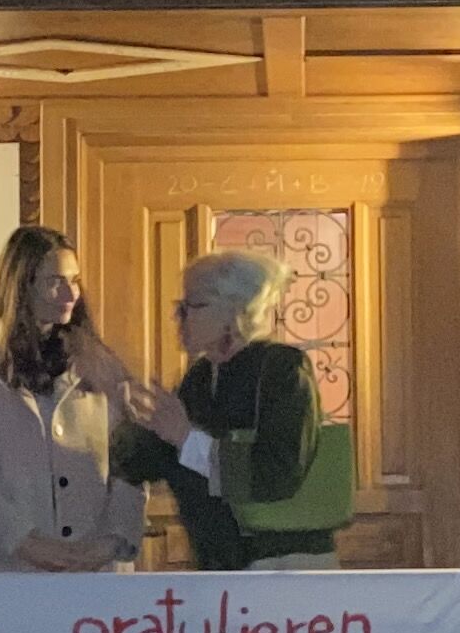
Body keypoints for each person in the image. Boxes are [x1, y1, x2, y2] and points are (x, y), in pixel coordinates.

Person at [108, 245, 343, 573]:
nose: (179, 318)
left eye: (192, 306)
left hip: (284, 566)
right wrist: (121, 413)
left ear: (236, 311)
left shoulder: (282, 370)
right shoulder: (200, 377)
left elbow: (278, 474)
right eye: (179, 307)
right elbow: (159, 460)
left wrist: (186, 437)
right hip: (220, 566)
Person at [0, 224, 142, 575]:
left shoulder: (102, 367)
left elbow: (132, 465)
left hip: (94, 573)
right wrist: (26, 542)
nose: (70, 293)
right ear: (20, 285)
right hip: (3, 571)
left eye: (75, 280)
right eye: (55, 281)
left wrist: (108, 543)